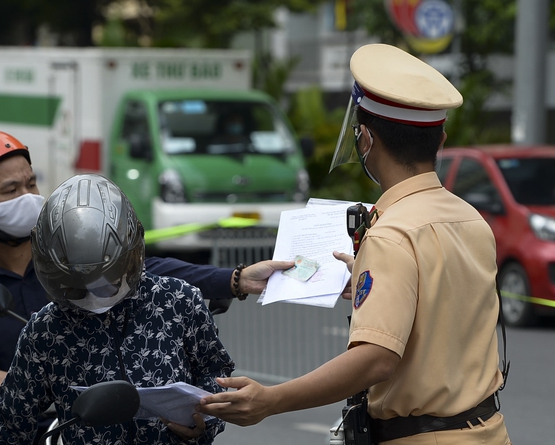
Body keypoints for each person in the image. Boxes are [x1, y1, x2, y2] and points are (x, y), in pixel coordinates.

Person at [197, 43, 512, 444]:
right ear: (442, 139)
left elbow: (376, 360)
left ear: (365, 139)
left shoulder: (390, 234)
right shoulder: (470, 218)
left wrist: (271, 399)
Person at [0, 130, 292, 427]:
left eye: (31, 184)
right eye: (11, 190)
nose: (29, 197)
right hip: (31, 428)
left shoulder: (75, 254)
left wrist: (237, 278)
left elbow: (150, 272)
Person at [0, 173, 234, 444]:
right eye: (75, 290)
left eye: (105, 286)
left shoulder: (178, 300)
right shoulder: (45, 331)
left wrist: (205, 421)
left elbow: (214, 369)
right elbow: (9, 422)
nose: (91, 298)